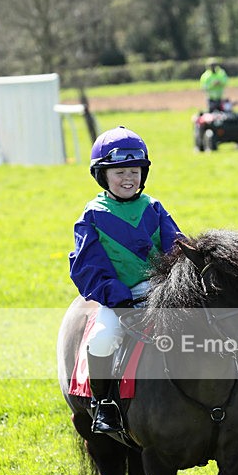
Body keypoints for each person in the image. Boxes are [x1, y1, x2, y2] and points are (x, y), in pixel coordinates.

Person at [69, 126, 183, 435]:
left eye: (134, 171)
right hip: (119, 299)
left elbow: (176, 246)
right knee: (102, 339)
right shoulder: (92, 215)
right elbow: (87, 266)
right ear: (102, 175)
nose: (128, 178)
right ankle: (105, 403)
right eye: (119, 172)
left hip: (163, 292)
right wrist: (117, 296)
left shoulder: (154, 208)